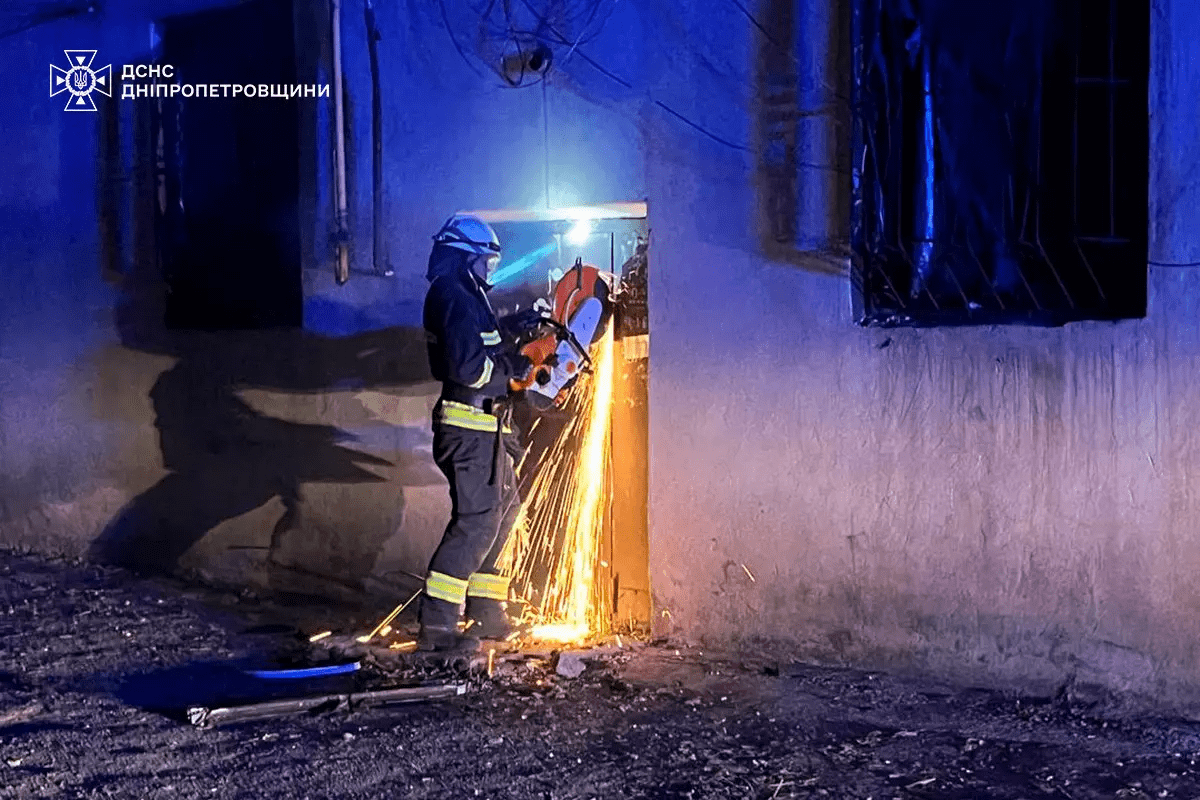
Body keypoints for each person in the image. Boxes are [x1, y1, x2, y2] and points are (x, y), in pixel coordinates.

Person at [417, 213, 537, 653]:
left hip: (487, 428)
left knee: (505, 513)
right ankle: (438, 629)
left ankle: (485, 610)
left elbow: (478, 344)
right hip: (469, 428)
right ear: (465, 258)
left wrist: (512, 330)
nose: (490, 270)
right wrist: (512, 373)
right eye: (485, 261)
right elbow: (468, 368)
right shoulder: (452, 294)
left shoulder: (466, 296)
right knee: (476, 522)